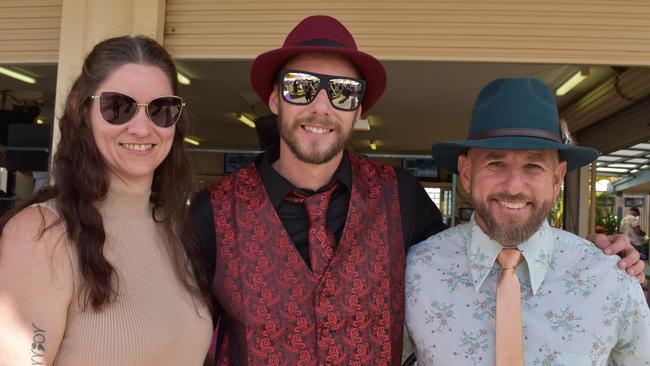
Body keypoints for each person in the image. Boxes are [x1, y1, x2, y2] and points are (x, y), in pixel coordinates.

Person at [193, 16, 644, 365]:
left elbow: (504, 232)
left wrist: (591, 255)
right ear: (274, 99)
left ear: (359, 109)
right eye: (301, 87)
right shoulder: (213, 213)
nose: (321, 106)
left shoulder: (399, 197)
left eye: (344, 92)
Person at [405, 77, 650, 365]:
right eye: (496, 163)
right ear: (467, 172)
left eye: (533, 166)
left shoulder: (611, 279)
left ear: (557, 178)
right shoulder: (415, 273)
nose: (513, 187)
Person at [0, 35, 213, 365]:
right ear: (81, 110)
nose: (142, 129)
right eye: (118, 107)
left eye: (161, 109)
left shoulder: (177, 232)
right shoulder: (42, 233)